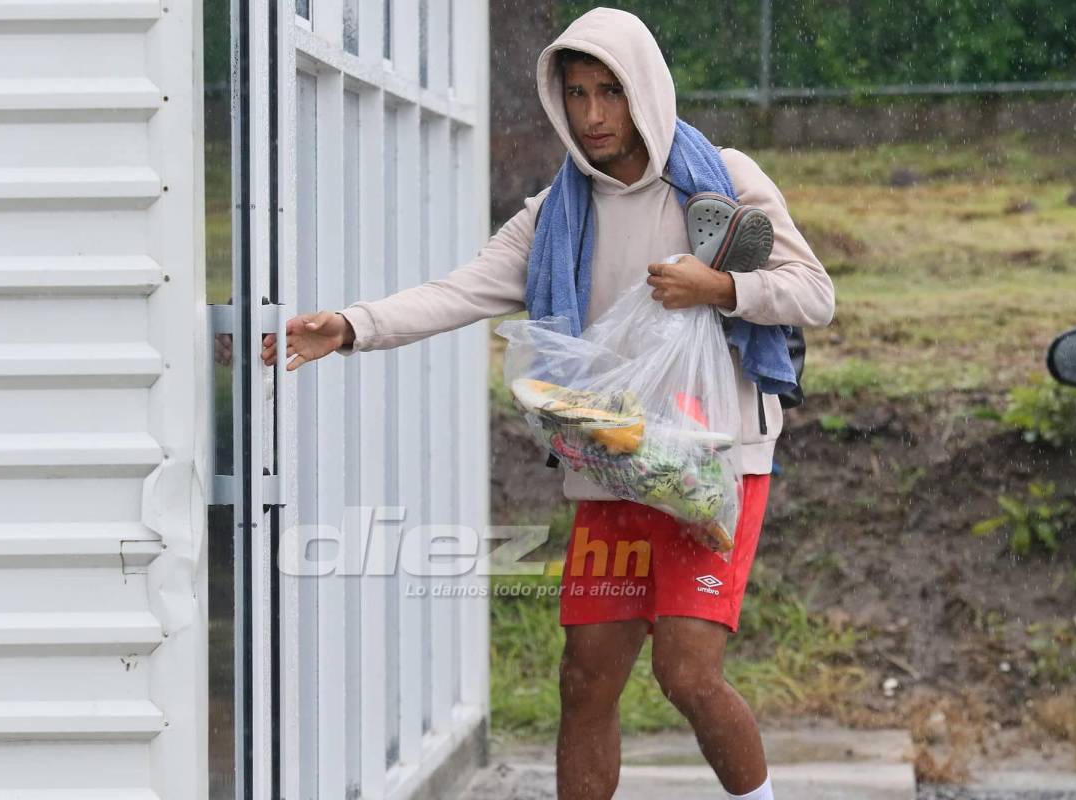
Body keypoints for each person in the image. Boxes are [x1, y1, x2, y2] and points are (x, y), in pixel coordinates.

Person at [262, 8, 834, 799]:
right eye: (576, 94)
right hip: (613, 462)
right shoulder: (556, 212)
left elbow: (814, 293)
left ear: (646, 93)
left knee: (687, 672)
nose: (593, 115)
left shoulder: (722, 178)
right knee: (585, 677)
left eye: (610, 92)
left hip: (714, 467)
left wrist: (721, 287)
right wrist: (355, 326)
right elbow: (461, 290)